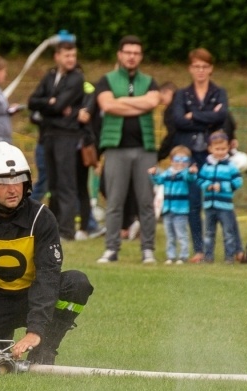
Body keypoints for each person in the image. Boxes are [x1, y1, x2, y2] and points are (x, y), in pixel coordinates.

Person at [0, 142, 93, 365]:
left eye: (18, 180)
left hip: (34, 296)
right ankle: (0, 345)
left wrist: (36, 331)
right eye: (3, 182)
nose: (13, 188)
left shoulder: (42, 218)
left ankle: (46, 348)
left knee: (77, 283)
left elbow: (47, 277)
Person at [95, 35, 160, 264]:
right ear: (119, 55)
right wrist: (137, 103)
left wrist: (121, 102)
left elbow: (152, 102)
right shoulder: (106, 80)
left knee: (146, 202)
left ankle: (148, 250)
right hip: (115, 149)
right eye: (128, 52)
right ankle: (111, 249)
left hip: (146, 149)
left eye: (136, 52)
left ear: (140, 56)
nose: (131, 56)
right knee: (114, 201)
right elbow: (106, 104)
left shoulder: (150, 81)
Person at [171, 48, 229, 264]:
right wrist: (209, 117)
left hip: (213, 154)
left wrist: (194, 115)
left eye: (204, 66)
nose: (201, 70)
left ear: (211, 68)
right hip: (190, 155)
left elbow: (222, 116)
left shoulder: (219, 92)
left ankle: (230, 248)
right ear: (190, 68)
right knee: (194, 203)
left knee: (220, 202)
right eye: (196, 66)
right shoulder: (182, 94)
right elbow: (178, 120)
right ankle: (199, 249)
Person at [28, 40, 87, 241]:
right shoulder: (51, 76)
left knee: (66, 184)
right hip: (49, 136)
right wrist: (51, 104)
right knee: (52, 184)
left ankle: (67, 230)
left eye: (73, 56)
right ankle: (52, 228)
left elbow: (58, 104)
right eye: (67, 55)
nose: (71, 59)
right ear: (57, 56)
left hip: (66, 136)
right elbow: (32, 101)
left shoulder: (77, 78)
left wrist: (50, 106)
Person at [197, 131, 243, 263]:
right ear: (210, 149)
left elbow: (238, 182)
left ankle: (229, 256)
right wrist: (208, 185)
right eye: (217, 149)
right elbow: (199, 180)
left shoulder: (230, 166)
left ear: (228, 148)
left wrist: (222, 186)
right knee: (209, 233)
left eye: (223, 149)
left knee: (228, 233)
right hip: (209, 205)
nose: (220, 152)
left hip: (225, 206)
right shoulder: (206, 166)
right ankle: (208, 256)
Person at [149, 145, 198, 264]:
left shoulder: (184, 174)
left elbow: (191, 178)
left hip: (180, 210)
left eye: (184, 160)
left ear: (188, 162)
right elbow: (158, 180)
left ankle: (183, 255)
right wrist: (154, 174)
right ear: (171, 161)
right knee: (170, 235)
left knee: (181, 234)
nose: (180, 163)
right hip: (167, 209)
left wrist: (192, 172)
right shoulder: (167, 174)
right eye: (177, 160)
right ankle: (171, 256)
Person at [156, 81, 178, 161]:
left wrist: (159, 155)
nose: (161, 102)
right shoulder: (187, 101)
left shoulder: (171, 110)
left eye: (162, 98)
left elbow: (172, 135)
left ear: (168, 92)